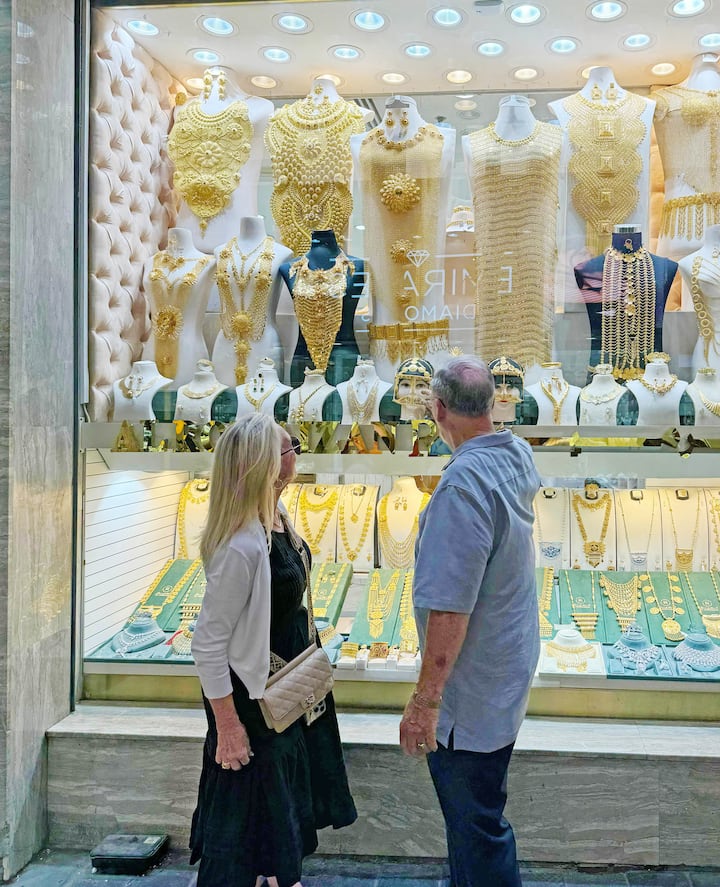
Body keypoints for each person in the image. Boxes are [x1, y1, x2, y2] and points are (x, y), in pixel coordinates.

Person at [190, 414, 356, 887]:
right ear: (265, 463)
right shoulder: (241, 545)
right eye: (289, 447)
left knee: (276, 804)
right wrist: (228, 727)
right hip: (252, 703)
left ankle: (277, 875)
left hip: (285, 690)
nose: (296, 454)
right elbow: (208, 644)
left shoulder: (275, 517)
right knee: (248, 810)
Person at [399, 356, 541, 887]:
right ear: (492, 404)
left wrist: (425, 702)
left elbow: (449, 609)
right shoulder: (516, 453)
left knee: (476, 827)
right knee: (477, 818)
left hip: (472, 694)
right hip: (504, 670)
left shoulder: (460, 488)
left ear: (437, 409)